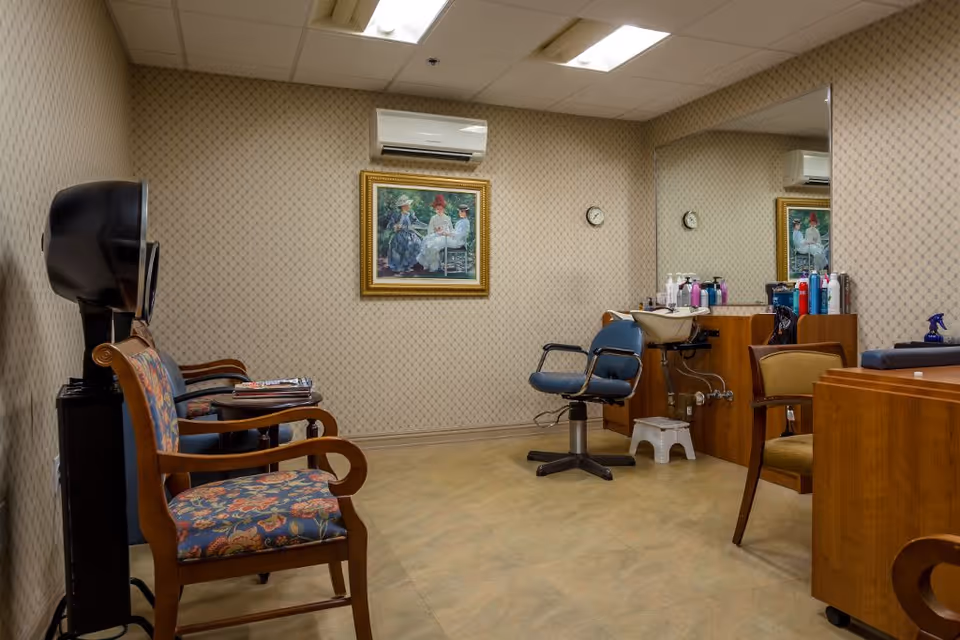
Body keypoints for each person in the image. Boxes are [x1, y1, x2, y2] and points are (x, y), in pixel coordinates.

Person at [385, 195, 423, 273]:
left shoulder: (411, 214)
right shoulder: (396, 215)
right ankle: (402, 265)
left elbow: (417, 222)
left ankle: (414, 263)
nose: (409, 206)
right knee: (402, 244)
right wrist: (396, 226)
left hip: (410, 233)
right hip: (400, 234)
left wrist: (427, 226)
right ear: (403, 206)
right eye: (408, 205)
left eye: (409, 204)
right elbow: (390, 225)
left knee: (418, 242)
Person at [417, 194, 453, 272]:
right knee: (427, 243)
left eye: (440, 209)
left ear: (443, 209)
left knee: (435, 245)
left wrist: (445, 232)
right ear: (435, 210)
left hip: (444, 237)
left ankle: (436, 265)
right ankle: (428, 264)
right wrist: (435, 230)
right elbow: (430, 229)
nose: (439, 211)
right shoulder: (433, 218)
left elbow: (451, 229)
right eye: (437, 209)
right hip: (435, 235)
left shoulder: (447, 218)